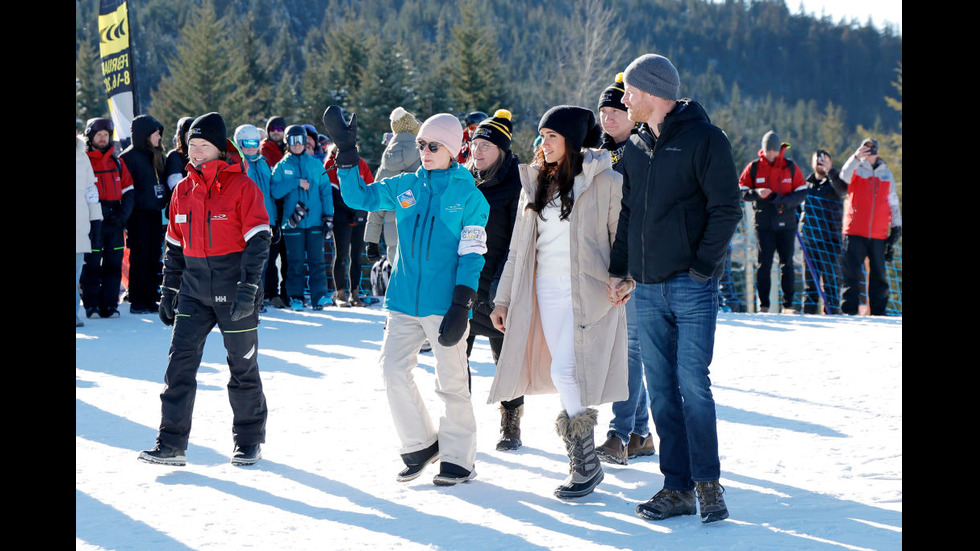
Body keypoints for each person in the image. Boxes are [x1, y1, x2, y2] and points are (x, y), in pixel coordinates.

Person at [322, 106, 489, 486]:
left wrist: (462, 305)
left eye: (433, 145)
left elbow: (472, 253)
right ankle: (420, 443)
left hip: (444, 304)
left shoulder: (469, 196)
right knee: (393, 370)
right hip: (401, 303)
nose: (425, 151)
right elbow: (359, 199)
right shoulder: (405, 185)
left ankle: (459, 459)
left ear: (451, 149)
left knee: (451, 383)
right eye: (421, 144)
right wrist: (347, 155)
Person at [607, 53, 741, 523]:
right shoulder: (637, 149)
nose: (625, 100)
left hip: (690, 286)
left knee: (692, 386)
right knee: (661, 390)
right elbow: (629, 215)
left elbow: (727, 208)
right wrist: (620, 268)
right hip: (645, 287)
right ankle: (677, 487)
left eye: (631, 91)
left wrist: (702, 267)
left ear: (654, 92)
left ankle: (708, 484)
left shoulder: (705, 139)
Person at [487, 105, 628, 499]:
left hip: (589, 292)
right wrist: (503, 300)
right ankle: (586, 464)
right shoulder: (533, 184)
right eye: (542, 136)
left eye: (552, 136)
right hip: (543, 289)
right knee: (563, 369)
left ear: (571, 140)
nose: (543, 144)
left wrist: (624, 278)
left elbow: (623, 240)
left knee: (568, 371)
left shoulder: (606, 182)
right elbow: (518, 250)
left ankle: (584, 465)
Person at [138, 112, 272, 467]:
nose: (195, 153)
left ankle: (248, 441)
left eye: (203, 146)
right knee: (178, 367)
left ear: (219, 148)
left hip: (235, 292)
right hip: (194, 293)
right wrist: (169, 290)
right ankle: (171, 444)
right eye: (191, 146)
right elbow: (174, 246)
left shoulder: (243, 187)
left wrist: (249, 287)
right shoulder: (183, 190)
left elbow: (259, 241)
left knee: (242, 368)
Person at [592, 73, 656, 465]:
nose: (609, 116)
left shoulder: (644, 149)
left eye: (617, 109)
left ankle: (618, 433)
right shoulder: (594, 153)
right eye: (603, 110)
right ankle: (642, 433)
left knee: (629, 349)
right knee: (620, 348)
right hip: (603, 263)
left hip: (636, 262)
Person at [462, 109, 526, 451]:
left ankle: (511, 421)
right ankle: (460, 422)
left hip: (501, 284)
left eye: (485, 145)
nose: (478, 150)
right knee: (457, 358)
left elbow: (520, 239)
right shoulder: (465, 179)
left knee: (506, 359)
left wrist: (503, 286)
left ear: (501, 149)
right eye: (475, 144)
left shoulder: (517, 182)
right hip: (464, 283)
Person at [738, 130, 807, 313]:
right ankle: (764, 305)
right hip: (764, 222)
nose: (770, 154)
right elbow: (741, 191)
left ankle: (788, 305)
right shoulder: (753, 167)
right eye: (767, 150)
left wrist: (782, 200)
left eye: (773, 151)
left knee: (787, 263)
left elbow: (802, 192)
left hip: (787, 221)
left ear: (779, 150)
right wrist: (756, 194)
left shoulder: (790, 167)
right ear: (762, 149)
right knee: (764, 263)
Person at [271, 124, 334, 310]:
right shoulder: (282, 166)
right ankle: (296, 297)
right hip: (292, 223)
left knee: (317, 261)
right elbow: (275, 191)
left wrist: (328, 216)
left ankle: (319, 296)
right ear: (287, 143)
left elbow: (326, 191)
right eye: (293, 141)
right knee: (295, 262)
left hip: (314, 221)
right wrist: (295, 182)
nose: (298, 144)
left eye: (301, 141)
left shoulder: (315, 164)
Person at [839, 138, 901, 316]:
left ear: (878, 152)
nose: (869, 152)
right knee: (851, 273)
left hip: (878, 234)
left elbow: (893, 202)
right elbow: (844, 176)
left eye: (872, 150)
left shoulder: (886, 174)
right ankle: (849, 311)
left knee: (879, 275)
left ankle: (879, 312)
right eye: (865, 149)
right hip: (854, 230)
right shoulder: (856, 169)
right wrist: (856, 157)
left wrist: (896, 226)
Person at [80, 118, 134, 320]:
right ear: (90, 137)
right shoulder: (83, 161)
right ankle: (92, 305)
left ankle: (110, 305)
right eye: (99, 135)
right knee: (91, 263)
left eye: (106, 135)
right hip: (92, 220)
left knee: (113, 263)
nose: (103, 139)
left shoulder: (117, 162)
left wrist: (122, 216)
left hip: (114, 220)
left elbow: (129, 190)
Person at [120, 114, 168, 315]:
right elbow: (127, 190)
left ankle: (150, 298)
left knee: (152, 256)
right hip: (138, 214)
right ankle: (138, 299)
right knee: (140, 257)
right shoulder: (128, 157)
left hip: (155, 212)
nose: (159, 138)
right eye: (156, 134)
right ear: (145, 135)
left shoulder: (155, 154)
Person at [366, 106, 422, 265]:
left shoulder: (385, 163)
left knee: (398, 276)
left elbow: (376, 203)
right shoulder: (426, 155)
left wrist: (371, 240)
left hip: (393, 231)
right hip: (420, 227)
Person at [235, 124, 279, 313]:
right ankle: (245, 299)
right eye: (247, 143)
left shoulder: (262, 162)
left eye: (255, 142)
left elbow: (269, 193)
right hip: (246, 220)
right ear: (239, 144)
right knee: (247, 262)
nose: (252, 147)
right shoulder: (238, 164)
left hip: (265, 219)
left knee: (263, 261)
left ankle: (258, 300)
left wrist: (274, 222)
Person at [323, 143, 372, 307]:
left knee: (357, 257)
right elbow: (333, 192)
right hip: (341, 216)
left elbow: (369, 187)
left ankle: (355, 293)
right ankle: (340, 293)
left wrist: (363, 210)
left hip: (359, 215)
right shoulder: (330, 163)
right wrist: (351, 209)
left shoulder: (361, 163)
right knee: (342, 255)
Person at [801, 149, 847, 314]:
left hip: (830, 240)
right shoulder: (806, 184)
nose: (820, 162)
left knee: (831, 281)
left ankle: (833, 313)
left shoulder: (835, 182)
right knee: (810, 283)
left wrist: (831, 172)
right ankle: (809, 315)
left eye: (824, 159)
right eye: (817, 160)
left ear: (830, 162)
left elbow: (843, 192)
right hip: (810, 240)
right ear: (812, 163)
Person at [77, 125, 102, 328]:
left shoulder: (82, 156)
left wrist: (97, 221)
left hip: (80, 225)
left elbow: (90, 191)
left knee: (76, 274)